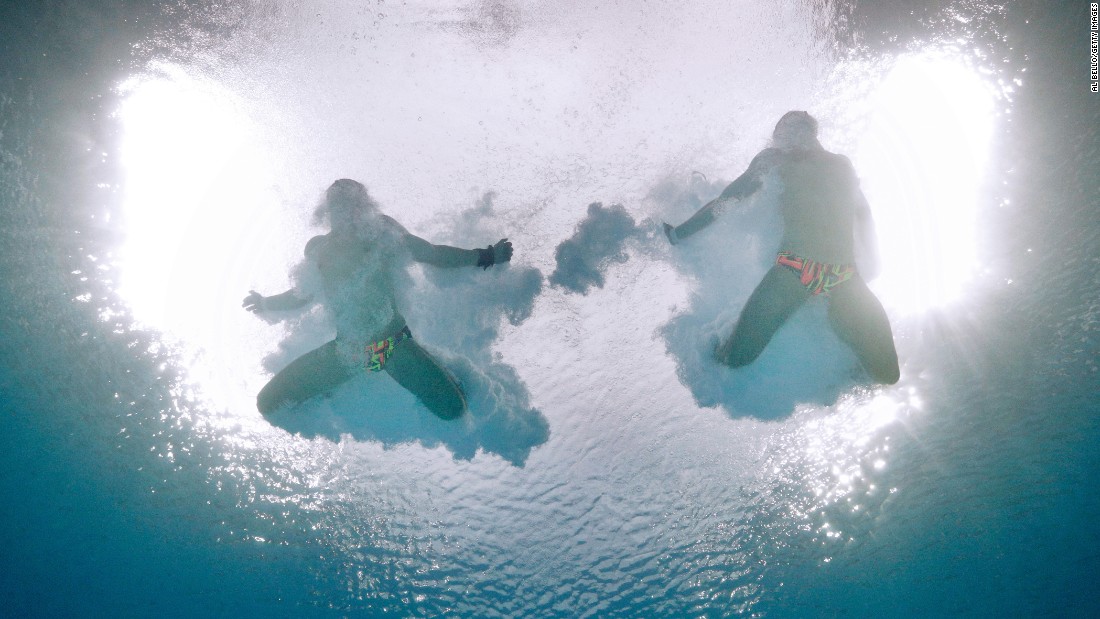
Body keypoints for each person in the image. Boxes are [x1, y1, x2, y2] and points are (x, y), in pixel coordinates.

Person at [243, 179, 514, 419]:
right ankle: (332, 394)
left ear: (363, 206)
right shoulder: (318, 248)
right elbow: (301, 294)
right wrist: (267, 303)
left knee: (454, 410)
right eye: (336, 204)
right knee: (267, 404)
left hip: (394, 345)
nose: (344, 210)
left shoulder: (382, 232)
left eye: (351, 203)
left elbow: (433, 254)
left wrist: (486, 256)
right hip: (348, 352)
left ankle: (449, 371)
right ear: (328, 211)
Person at [663, 111, 900, 384]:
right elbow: (726, 201)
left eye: (788, 132)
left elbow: (863, 213)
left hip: (845, 277)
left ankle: (841, 337)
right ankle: (715, 337)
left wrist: (876, 260)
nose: (785, 140)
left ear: (811, 130)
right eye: (781, 136)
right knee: (735, 360)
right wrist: (680, 233)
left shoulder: (841, 164)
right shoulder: (773, 160)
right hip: (793, 271)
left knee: (888, 376)